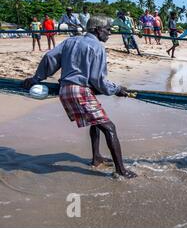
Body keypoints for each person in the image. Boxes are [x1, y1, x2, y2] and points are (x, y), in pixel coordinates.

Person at [23, 16, 137, 179]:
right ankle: (121, 171)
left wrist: (36, 79)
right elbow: (99, 80)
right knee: (109, 127)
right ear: (98, 29)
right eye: (108, 29)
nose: (110, 33)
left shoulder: (71, 41)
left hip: (65, 90)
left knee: (96, 122)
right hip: (80, 91)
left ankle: (96, 157)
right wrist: (117, 89)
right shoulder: (97, 47)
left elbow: (50, 58)